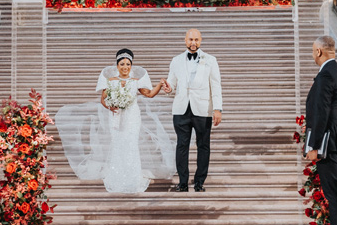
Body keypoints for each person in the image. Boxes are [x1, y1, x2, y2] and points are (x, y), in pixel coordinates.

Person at [55, 50, 172, 194]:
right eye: (122, 64)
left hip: (132, 117)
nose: (125, 67)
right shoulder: (110, 81)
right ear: (117, 66)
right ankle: (117, 177)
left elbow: (149, 94)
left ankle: (132, 178)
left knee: (131, 145)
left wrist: (160, 85)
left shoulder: (136, 82)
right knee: (118, 144)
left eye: (128, 64)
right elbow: (103, 99)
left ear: (131, 66)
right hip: (116, 117)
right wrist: (111, 106)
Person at [303, 35, 337, 225]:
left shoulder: (326, 75)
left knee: (334, 194)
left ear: (319, 52)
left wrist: (313, 145)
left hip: (327, 143)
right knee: (336, 193)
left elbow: (321, 113)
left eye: (313, 51)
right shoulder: (336, 72)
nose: (312, 54)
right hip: (334, 141)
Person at [163, 29, 222, 192]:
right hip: (181, 108)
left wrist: (217, 108)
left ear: (201, 40)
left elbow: (216, 85)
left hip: (203, 108)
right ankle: (182, 183)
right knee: (181, 145)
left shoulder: (210, 60)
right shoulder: (176, 60)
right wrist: (168, 88)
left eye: (196, 39)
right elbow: (172, 82)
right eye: (190, 39)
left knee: (203, 145)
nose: (193, 42)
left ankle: (199, 182)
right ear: (185, 40)